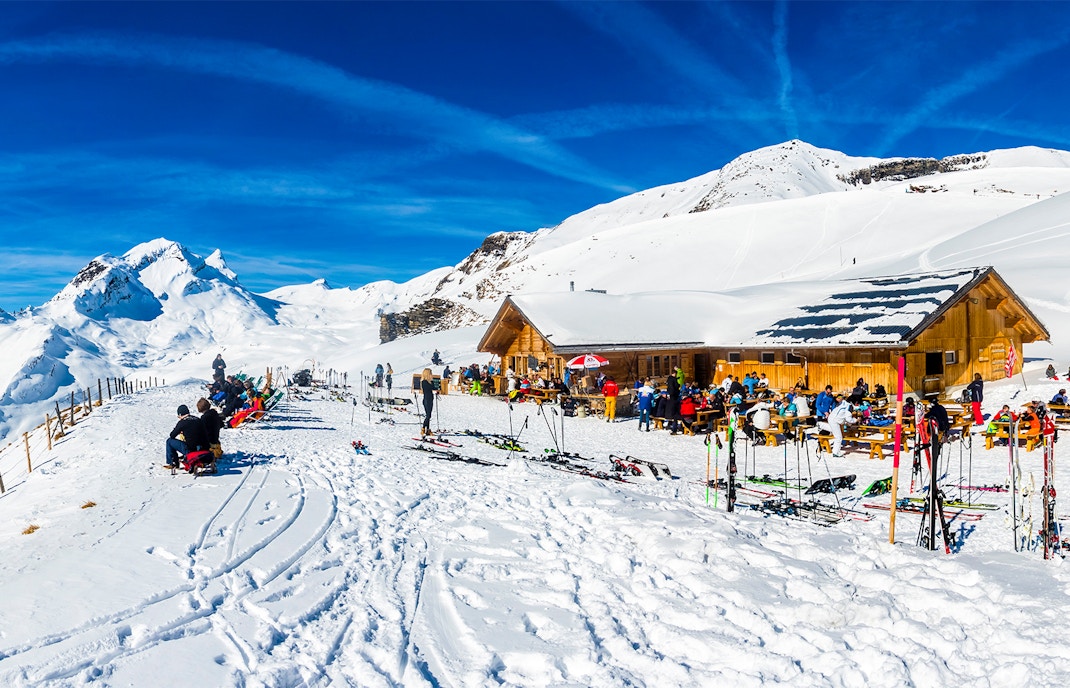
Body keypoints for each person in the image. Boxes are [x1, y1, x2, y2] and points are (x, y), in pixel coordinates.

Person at [165, 404, 209, 469]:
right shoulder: (198, 419)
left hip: (190, 449)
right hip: (203, 448)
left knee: (169, 441)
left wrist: (181, 430)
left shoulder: (182, 422)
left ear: (180, 415)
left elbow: (172, 435)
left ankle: (173, 463)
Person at [419, 368, 436, 436]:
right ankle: (423, 428)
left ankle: (428, 429)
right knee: (428, 415)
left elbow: (434, 387)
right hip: (426, 399)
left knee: (429, 415)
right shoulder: (424, 382)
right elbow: (428, 389)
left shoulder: (430, 381)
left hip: (430, 399)